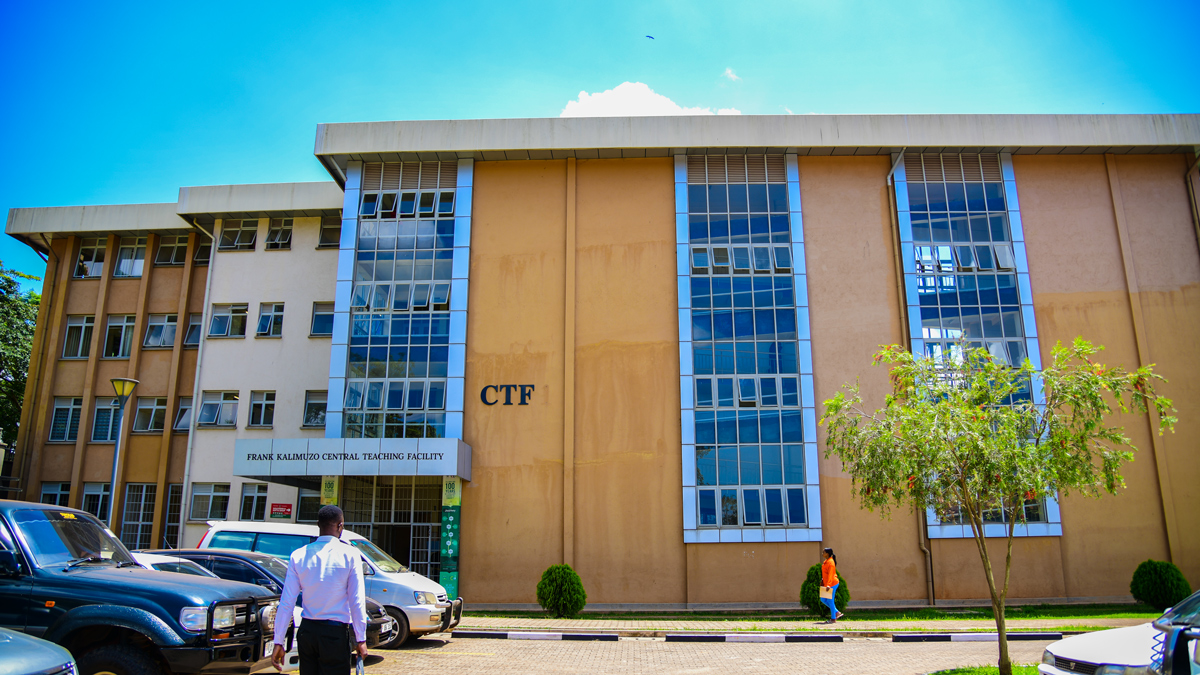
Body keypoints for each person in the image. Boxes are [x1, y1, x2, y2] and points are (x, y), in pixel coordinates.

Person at [272, 505, 368, 674]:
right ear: (340, 526)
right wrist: (361, 639)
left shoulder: (298, 555)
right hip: (334, 633)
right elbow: (356, 600)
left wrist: (278, 641)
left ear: (318, 524)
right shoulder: (350, 554)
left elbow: (287, 602)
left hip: (307, 632)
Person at [819, 547, 843, 624]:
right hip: (827, 584)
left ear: (828, 553)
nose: (822, 553)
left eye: (824, 552)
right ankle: (836, 612)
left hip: (832, 584)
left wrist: (828, 585)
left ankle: (833, 619)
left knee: (830, 600)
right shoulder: (826, 561)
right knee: (822, 599)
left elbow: (831, 575)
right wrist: (823, 580)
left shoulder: (831, 562)